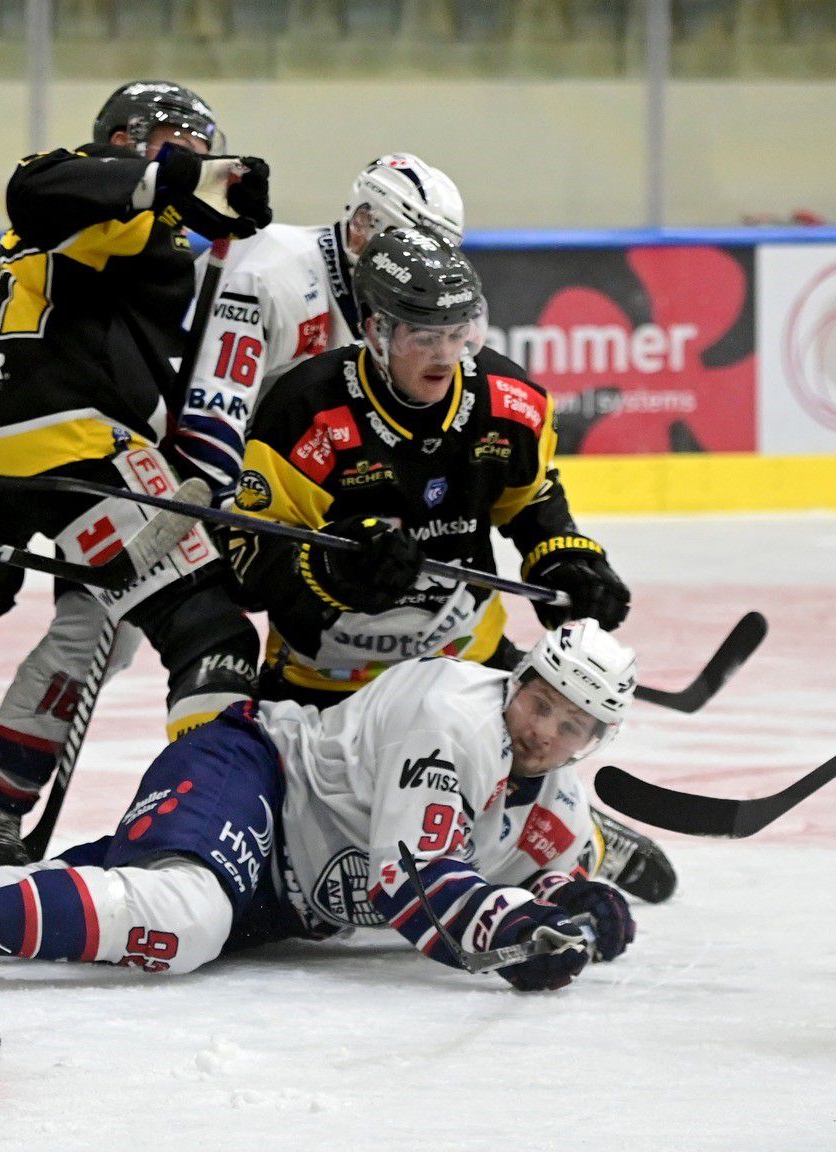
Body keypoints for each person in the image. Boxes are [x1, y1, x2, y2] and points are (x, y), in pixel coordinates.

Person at [0, 80, 271, 874]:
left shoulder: (85, 230)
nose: (194, 160)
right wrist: (171, 183)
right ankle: (175, 813)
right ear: (125, 141)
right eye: (174, 142)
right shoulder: (127, 208)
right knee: (208, 632)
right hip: (70, 446)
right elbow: (36, 181)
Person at [221, 225, 674, 902]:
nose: (443, 356)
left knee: (513, 756)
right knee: (318, 855)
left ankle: (578, 833)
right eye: (420, 336)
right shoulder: (303, 410)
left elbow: (532, 503)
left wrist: (568, 560)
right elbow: (250, 561)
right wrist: (335, 568)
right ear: (375, 332)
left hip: (465, 662)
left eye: (457, 334)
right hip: (328, 682)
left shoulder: (508, 404)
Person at [0, 622, 639, 994]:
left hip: (280, 899)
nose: (544, 731)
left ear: (589, 744)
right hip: (256, 775)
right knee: (185, 919)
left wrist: (578, 908)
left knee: (138, 903)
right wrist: (513, 928)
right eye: (541, 703)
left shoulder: (561, 806)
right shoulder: (451, 715)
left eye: (570, 726)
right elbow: (410, 881)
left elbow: (544, 878)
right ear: (517, 680)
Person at [172, 153, 464, 493]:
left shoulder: (392, 303)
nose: (422, 270)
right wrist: (229, 513)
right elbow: (210, 418)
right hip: (186, 461)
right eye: (408, 248)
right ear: (362, 223)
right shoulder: (270, 277)